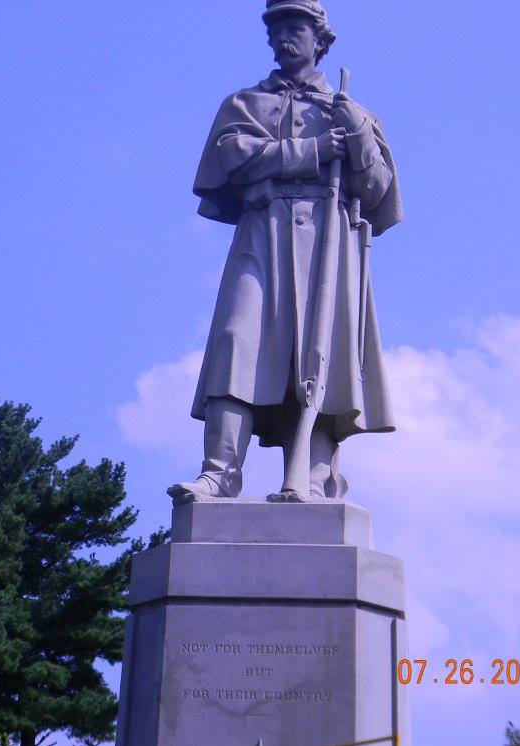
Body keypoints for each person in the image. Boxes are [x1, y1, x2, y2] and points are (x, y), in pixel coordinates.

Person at [168, 0, 403, 504]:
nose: (283, 38)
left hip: (329, 241)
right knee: (237, 339)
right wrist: (313, 151)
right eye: (276, 29)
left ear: (320, 40)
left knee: (323, 358)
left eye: (295, 28)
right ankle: (220, 472)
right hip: (263, 231)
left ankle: (313, 479)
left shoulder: (352, 112)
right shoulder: (245, 104)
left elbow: (380, 191)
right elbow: (234, 160)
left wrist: (357, 134)